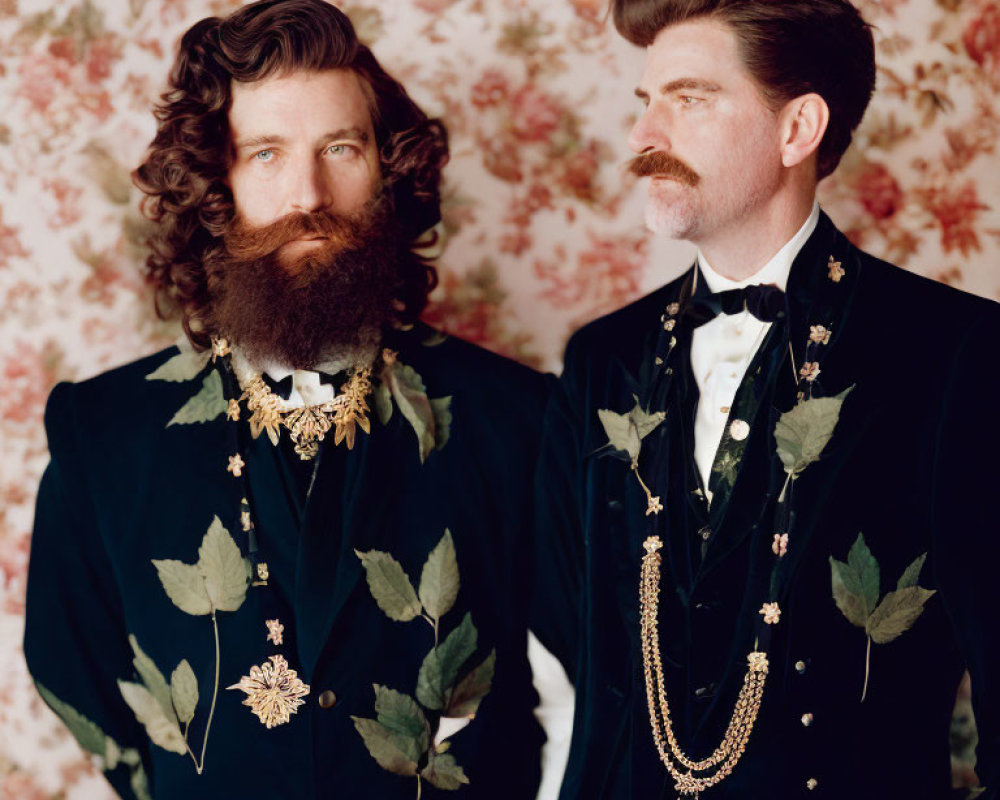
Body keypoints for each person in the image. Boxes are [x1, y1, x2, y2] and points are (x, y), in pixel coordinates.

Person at [24, 2, 547, 798]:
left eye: (341, 148)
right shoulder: (103, 438)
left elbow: (577, 690)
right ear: (215, 186)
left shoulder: (523, 421)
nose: (309, 193)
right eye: (264, 153)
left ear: (388, 170)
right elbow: (78, 673)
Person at [533, 1, 1000, 797]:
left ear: (798, 130)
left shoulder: (956, 353)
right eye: (646, 104)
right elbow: (579, 643)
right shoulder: (599, 359)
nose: (645, 138)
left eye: (690, 99)